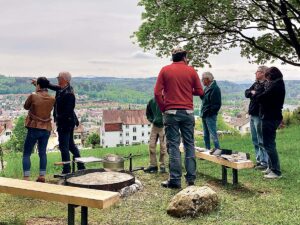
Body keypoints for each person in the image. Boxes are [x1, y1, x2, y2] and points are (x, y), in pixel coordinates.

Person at [154, 46, 204, 189]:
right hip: (188, 113)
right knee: (189, 145)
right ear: (184, 57)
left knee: (174, 146)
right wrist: (188, 90)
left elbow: (157, 93)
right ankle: (191, 179)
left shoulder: (165, 70)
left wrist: (164, 108)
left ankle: (175, 180)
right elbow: (200, 91)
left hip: (171, 113)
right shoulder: (191, 70)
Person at [46, 72, 85, 174]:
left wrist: (57, 118)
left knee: (64, 147)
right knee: (71, 145)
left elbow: (68, 111)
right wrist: (40, 82)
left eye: (59, 78)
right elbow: (52, 86)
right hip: (67, 122)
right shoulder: (62, 89)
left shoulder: (69, 93)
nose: (57, 79)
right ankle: (81, 166)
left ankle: (67, 170)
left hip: (66, 124)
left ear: (64, 79)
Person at [254, 67, 285, 179]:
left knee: (269, 144)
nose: (267, 80)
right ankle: (271, 168)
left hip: (270, 117)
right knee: (269, 143)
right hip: (272, 116)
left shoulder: (275, 85)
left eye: (267, 77)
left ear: (271, 75)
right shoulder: (278, 84)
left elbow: (261, 97)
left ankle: (276, 171)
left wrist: (256, 94)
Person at [23, 77, 55, 182]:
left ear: (38, 86)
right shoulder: (52, 99)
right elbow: (42, 94)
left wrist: (36, 88)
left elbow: (26, 107)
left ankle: (26, 177)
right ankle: (42, 176)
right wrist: (37, 85)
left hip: (34, 127)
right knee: (42, 153)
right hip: (46, 128)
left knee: (27, 153)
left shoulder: (33, 96)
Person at [245, 66, 269, 170]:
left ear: (263, 73)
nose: (255, 73)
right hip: (252, 114)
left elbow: (261, 96)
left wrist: (254, 93)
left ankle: (265, 162)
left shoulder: (266, 84)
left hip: (259, 115)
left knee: (261, 139)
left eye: (257, 72)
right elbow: (246, 92)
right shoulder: (256, 84)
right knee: (254, 139)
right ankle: (259, 160)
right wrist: (252, 93)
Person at [200, 72, 221, 153]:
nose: (202, 81)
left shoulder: (215, 88)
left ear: (207, 79)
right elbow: (205, 99)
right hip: (205, 114)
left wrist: (209, 113)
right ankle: (207, 151)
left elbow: (216, 104)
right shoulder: (207, 87)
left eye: (203, 79)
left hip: (210, 115)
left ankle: (218, 151)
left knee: (213, 134)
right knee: (206, 135)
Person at [144, 97, 167, 173]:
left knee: (163, 148)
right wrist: (152, 120)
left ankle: (162, 166)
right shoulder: (152, 101)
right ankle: (153, 166)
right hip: (154, 126)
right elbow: (148, 112)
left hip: (163, 126)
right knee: (151, 145)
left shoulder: (166, 99)